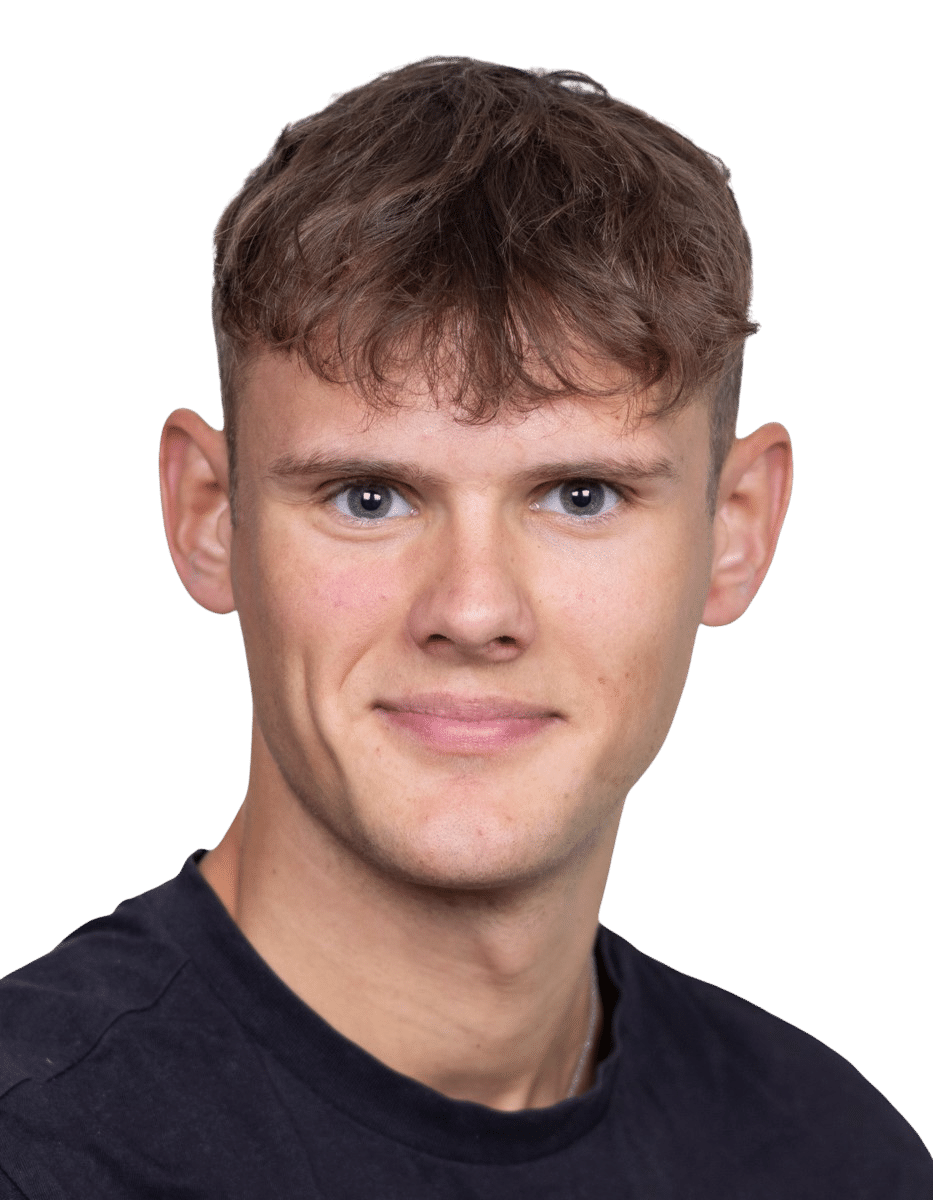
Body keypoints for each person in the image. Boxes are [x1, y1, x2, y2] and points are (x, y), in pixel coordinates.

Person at [1, 55, 929, 1199]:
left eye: (581, 496)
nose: (475, 611)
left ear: (736, 530)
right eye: (368, 497)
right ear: (208, 517)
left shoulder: (836, 1162)